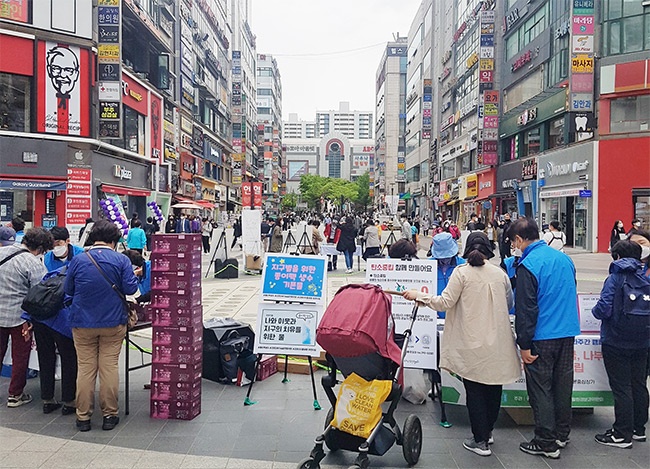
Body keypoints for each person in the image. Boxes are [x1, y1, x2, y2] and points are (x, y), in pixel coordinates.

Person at [402, 232, 520, 457]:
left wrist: (420, 296)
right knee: (494, 387)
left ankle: (480, 440)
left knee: (474, 390)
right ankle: (488, 432)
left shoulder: (461, 273)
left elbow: (444, 303)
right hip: (497, 343)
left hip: (470, 342)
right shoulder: (499, 274)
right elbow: (509, 302)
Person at [510, 217, 580, 459]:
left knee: (541, 390)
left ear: (519, 240)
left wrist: (524, 344)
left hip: (542, 336)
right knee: (562, 386)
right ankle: (562, 433)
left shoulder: (528, 265)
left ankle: (546, 442)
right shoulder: (564, 259)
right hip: (567, 332)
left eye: (513, 242)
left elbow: (526, 309)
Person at [64, 220, 138, 432]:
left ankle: (83, 418)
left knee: (86, 369)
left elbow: (68, 289)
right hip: (113, 322)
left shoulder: (78, 260)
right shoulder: (121, 260)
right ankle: (109, 415)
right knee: (109, 367)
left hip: (82, 322)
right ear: (114, 240)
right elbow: (131, 288)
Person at [592, 240, 649, 448]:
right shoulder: (645, 276)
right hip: (643, 340)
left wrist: (595, 312)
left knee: (621, 386)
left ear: (617, 257)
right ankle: (638, 429)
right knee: (638, 383)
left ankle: (621, 434)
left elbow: (604, 308)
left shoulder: (615, 278)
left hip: (616, 339)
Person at [23, 227, 81, 415]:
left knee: (47, 357)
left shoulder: (75, 256)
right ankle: (68, 401)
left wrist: (27, 318)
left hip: (41, 316)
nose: (55, 248)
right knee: (67, 357)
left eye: (59, 243)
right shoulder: (69, 263)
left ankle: (49, 399)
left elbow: (37, 291)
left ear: (67, 241)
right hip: (61, 317)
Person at [0, 227, 53, 407]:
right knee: (20, 356)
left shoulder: (2, 251)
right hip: (20, 318)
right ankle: (15, 394)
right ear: (40, 248)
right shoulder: (32, 263)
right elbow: (40, 293)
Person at [428, 232, 466, 318]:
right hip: (435, 314)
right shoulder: (428, 266)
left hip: (457, 315)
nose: (445, 260)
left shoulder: (462, 265)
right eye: (442, 258)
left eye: (447, 257)